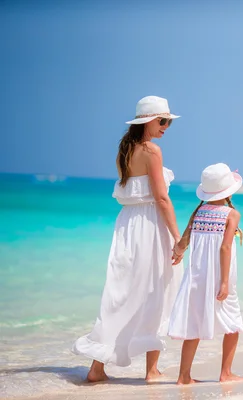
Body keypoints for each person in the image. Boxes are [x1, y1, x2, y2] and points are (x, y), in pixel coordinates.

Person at [72, 96, 184, 382]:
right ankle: (151, 371)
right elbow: (161, 198)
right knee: (158, 290)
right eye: (162, 121)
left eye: (168, 121)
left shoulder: (125, 149)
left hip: (126, 226)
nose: (166, 127)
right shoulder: (152, 151)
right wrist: (177, 237)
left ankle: (97, 367)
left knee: (120, 294)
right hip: (150, 225)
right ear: (147, 121)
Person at [168, 163, 243, 385]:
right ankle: (226, 373)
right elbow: (225, 248)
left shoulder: (198, 212)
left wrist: (178, 254)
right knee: (233, 323)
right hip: (220, 276)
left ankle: (184, 376)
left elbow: (184, 241)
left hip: (197, 277)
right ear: (229, 190)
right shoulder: (232, 214)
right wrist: (223, 282)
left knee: (194, 324)